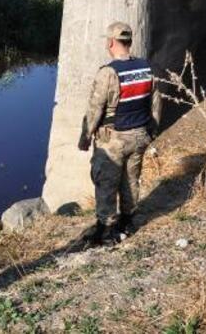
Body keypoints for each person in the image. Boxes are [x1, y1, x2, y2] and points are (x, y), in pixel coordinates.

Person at [78, 22, 162, 245]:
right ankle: (127, 221)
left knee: (106, 183)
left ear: (111, 42)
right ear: (130, 42)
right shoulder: (145, 67)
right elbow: (155, 102)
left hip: (114, 140)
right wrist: (152, 130)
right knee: (131, 180)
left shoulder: (108, 72)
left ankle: (105, 230)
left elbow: (95, 108)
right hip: (140, 135)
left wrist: (86, 137)